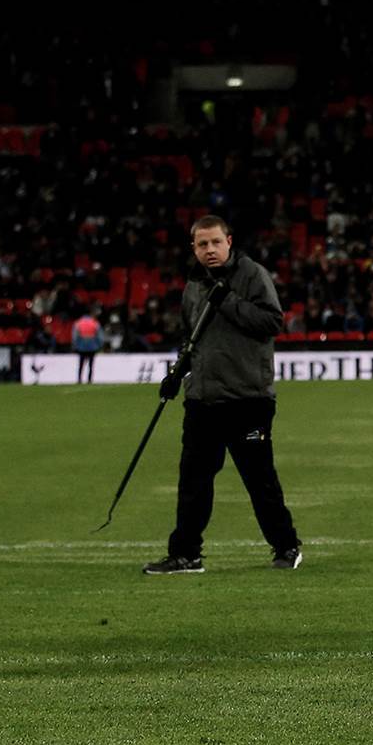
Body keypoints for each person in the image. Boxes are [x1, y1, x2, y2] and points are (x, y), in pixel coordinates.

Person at [144, 216, 302, 576]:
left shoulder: (251, 275)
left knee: (259, 479)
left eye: (215, 242)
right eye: (202, 245)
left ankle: (287, 546)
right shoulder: (194, 285)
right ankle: (186, 555)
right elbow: (193, 338)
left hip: (248, 399)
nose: (210, 250)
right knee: (193, 482)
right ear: (194, 248)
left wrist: (228, 300)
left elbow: (271, 323)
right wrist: (178, 373)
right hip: (202, 399)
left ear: (229, 241)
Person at [72, 309, 102, 382]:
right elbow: (100, 336)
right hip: (92, 346)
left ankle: (79, 379)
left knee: (81, 364)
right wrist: (99, 344)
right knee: (91, 365)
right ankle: (89, 379)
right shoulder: (94, 323)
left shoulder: (78, 323)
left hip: (81, 346)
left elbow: (75, 336)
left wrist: (75, 344)